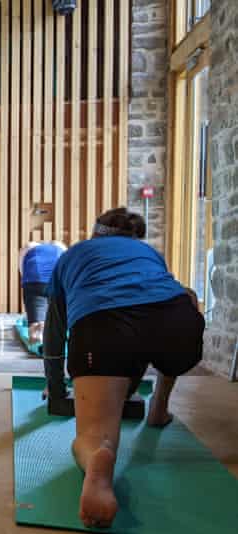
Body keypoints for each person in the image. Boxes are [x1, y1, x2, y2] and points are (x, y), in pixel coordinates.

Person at [42, 208, 204, 529]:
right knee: (183, 298)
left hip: (105, 325)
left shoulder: (74, 255)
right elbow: (151, 307)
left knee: (94, 436)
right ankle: (159, 407)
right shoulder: (148, 253)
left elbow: (54, 331)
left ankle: (99, 462)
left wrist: (58, 392)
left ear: (94, 233)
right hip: (176, 321)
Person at [18, 241, 67, 343]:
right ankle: (50, 328)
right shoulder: (60, 247)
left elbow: (23, 271)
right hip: (56, 282)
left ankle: (37, 328)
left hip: (34, 281)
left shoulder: (28, 247)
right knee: (58, 320)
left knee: (34, 323)